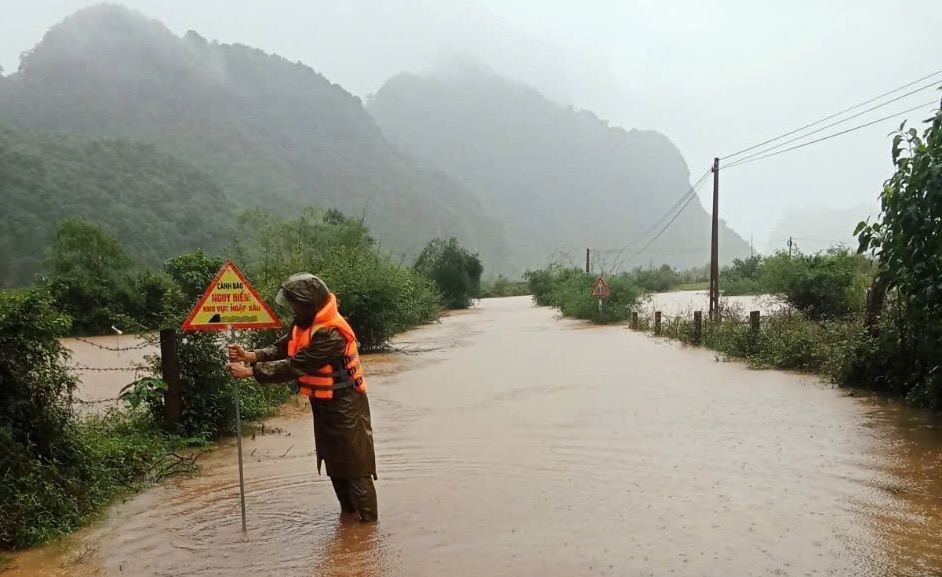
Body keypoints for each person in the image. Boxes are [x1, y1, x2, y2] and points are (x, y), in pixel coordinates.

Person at [226, 273, 378, 522]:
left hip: (347, 406)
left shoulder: (331, 334)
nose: (293, 309)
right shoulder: (303, 324)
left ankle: (368, 531)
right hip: (323, 405)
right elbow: (284, 346)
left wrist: (250, 372)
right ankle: (349, 523)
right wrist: (251, 355)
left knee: (356, 467)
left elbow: (297, 364)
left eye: (296, 304)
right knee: (335, 466)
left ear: (310, 303)